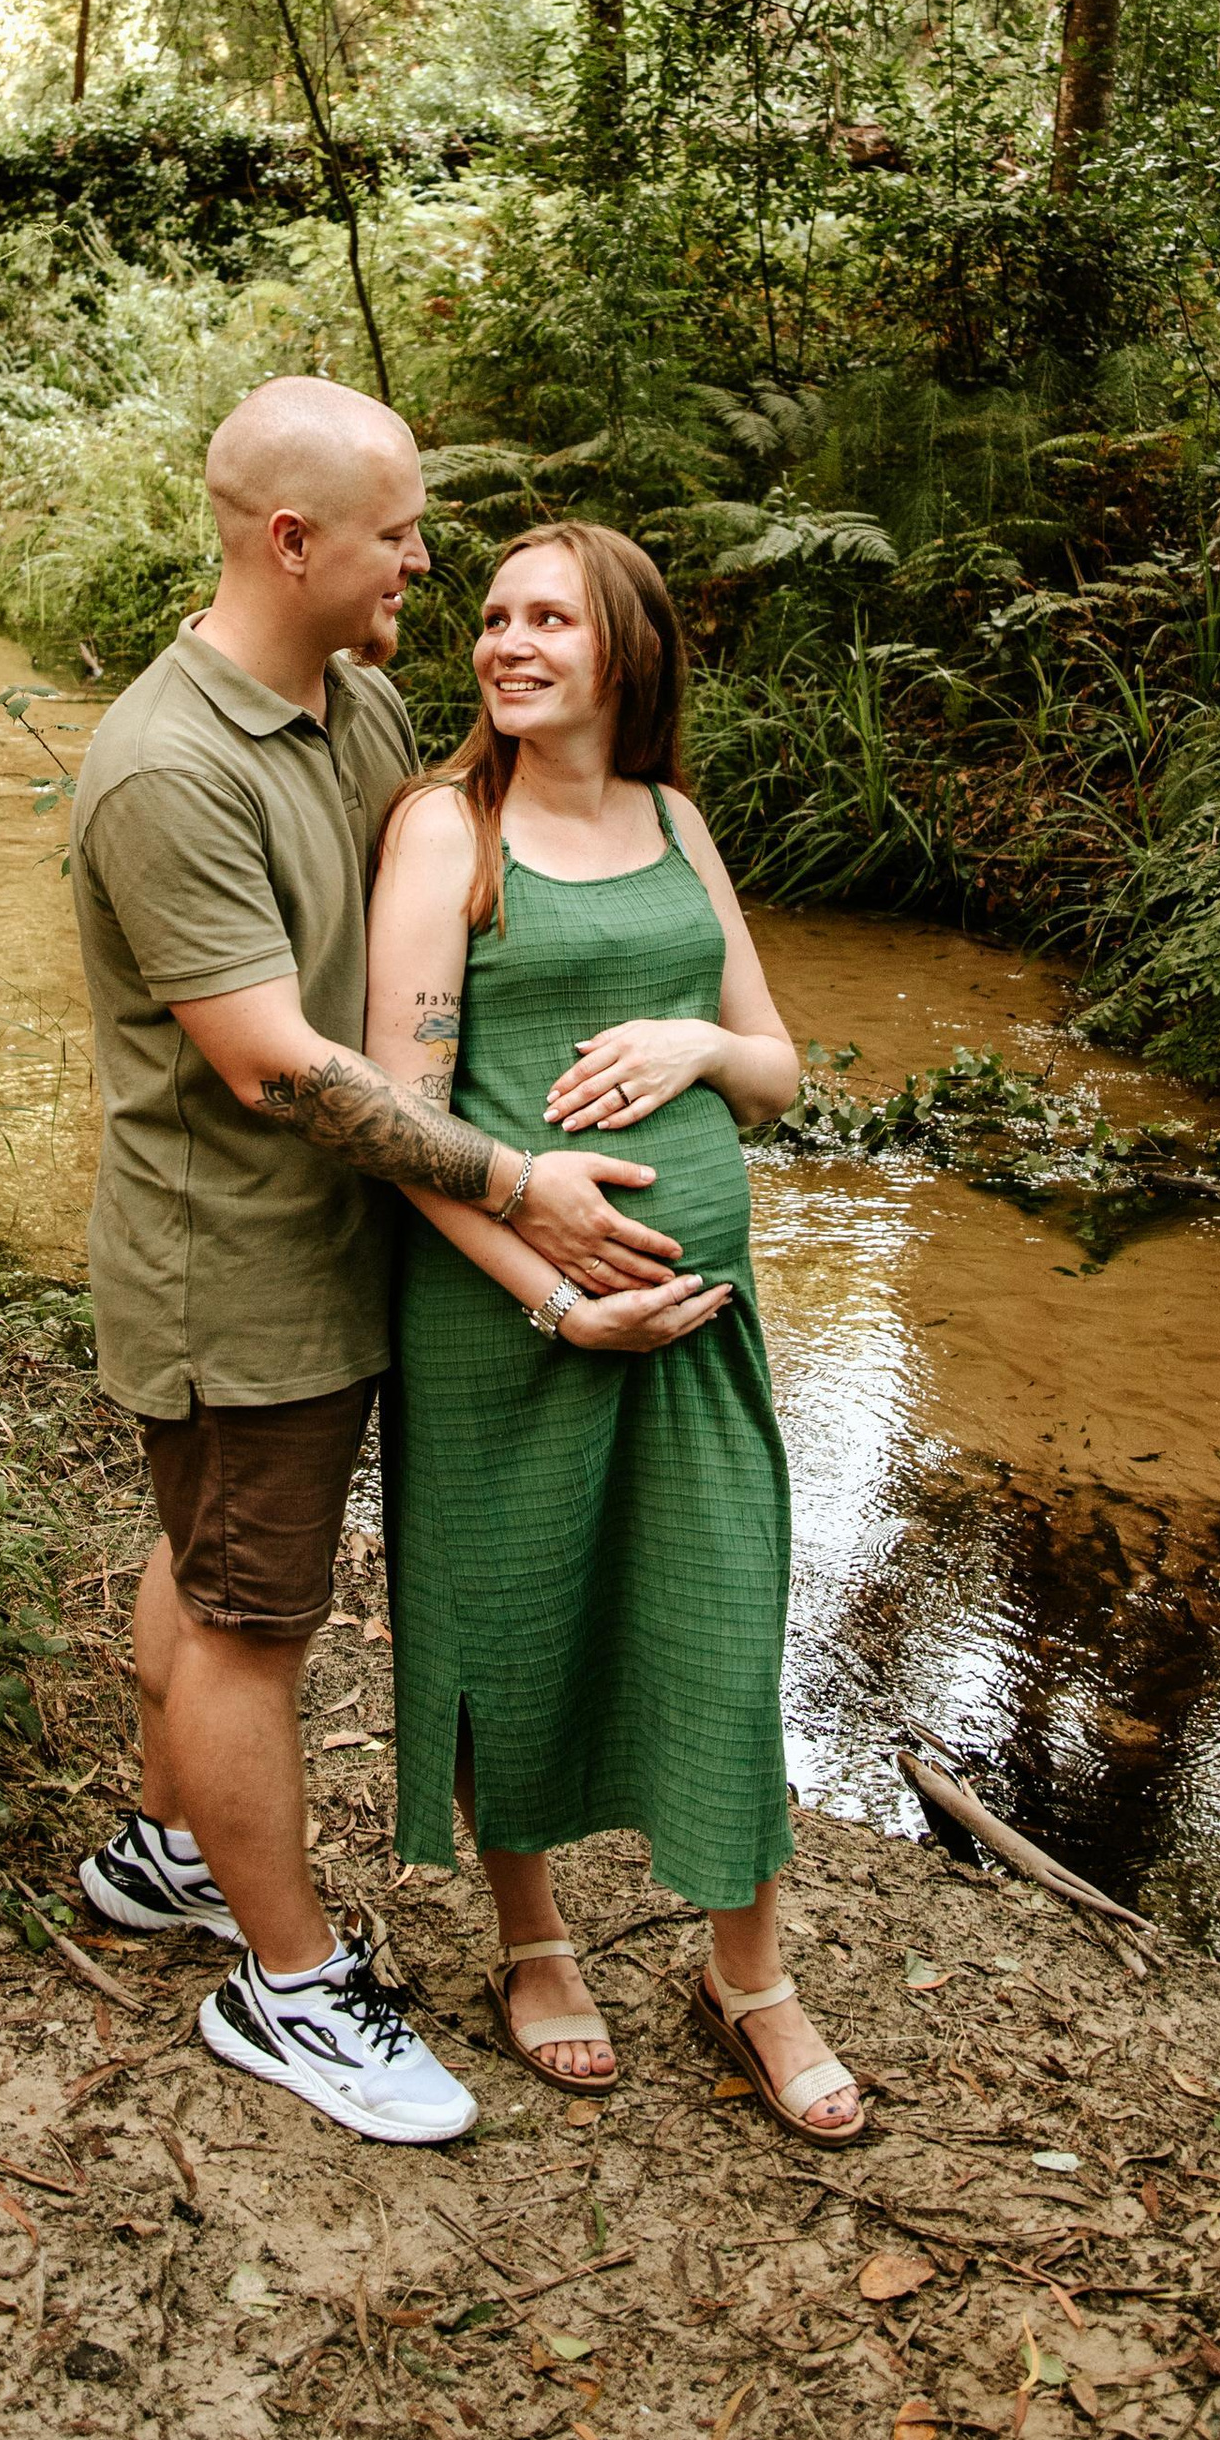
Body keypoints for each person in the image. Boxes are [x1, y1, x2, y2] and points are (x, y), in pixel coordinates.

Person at [65, 379, 720, 2146]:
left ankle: (168, 1850)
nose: (428, 563)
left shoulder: (351, 708)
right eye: (403, 533)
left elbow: (456, 931)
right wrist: (525, 1190)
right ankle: (288, 1986)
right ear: (295, 541)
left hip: (352, 1248)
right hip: (240, 1269)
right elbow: (279, 1061)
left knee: (205, 1558)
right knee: (253, 1620)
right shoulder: (167, 767)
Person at [363, 520, 864, 2144]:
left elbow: (785, 1069)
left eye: (549, 620)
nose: (507, 643)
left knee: (722, 1617)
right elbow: (394, 1120)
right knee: (509, 1623)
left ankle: (751, 1975)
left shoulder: (674, 822)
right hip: (505, 1322)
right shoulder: (450, 828)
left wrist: (692, 1038)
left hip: (704, 1324)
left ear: (625, 652)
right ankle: (533, 1940)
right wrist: (563, 1297)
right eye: (495, 617)